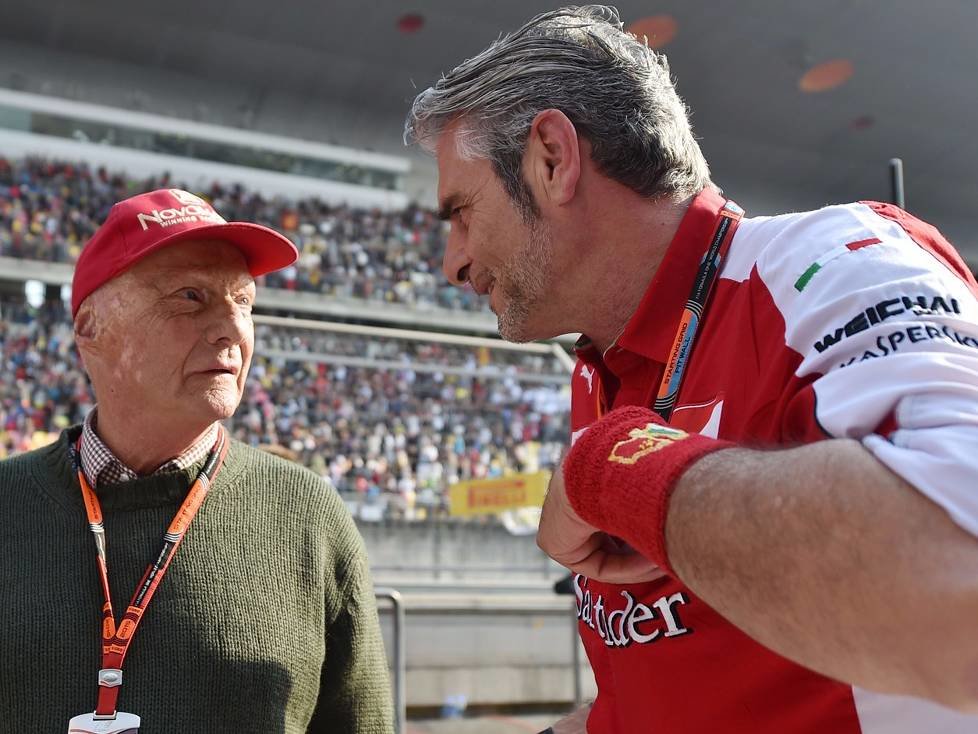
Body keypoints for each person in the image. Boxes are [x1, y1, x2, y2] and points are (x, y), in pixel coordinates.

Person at [405, 6, 978, 733]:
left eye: (461, 211)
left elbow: (960, 578)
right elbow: (668, 694)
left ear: (552, 158)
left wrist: (610, 466)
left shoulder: (831, 259)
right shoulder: (599, 367)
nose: (453, 260)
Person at [0, 188, 393, 733]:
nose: (233, 329)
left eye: (245, 302)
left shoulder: (308, 515)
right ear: (91, 328)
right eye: (191, 297)